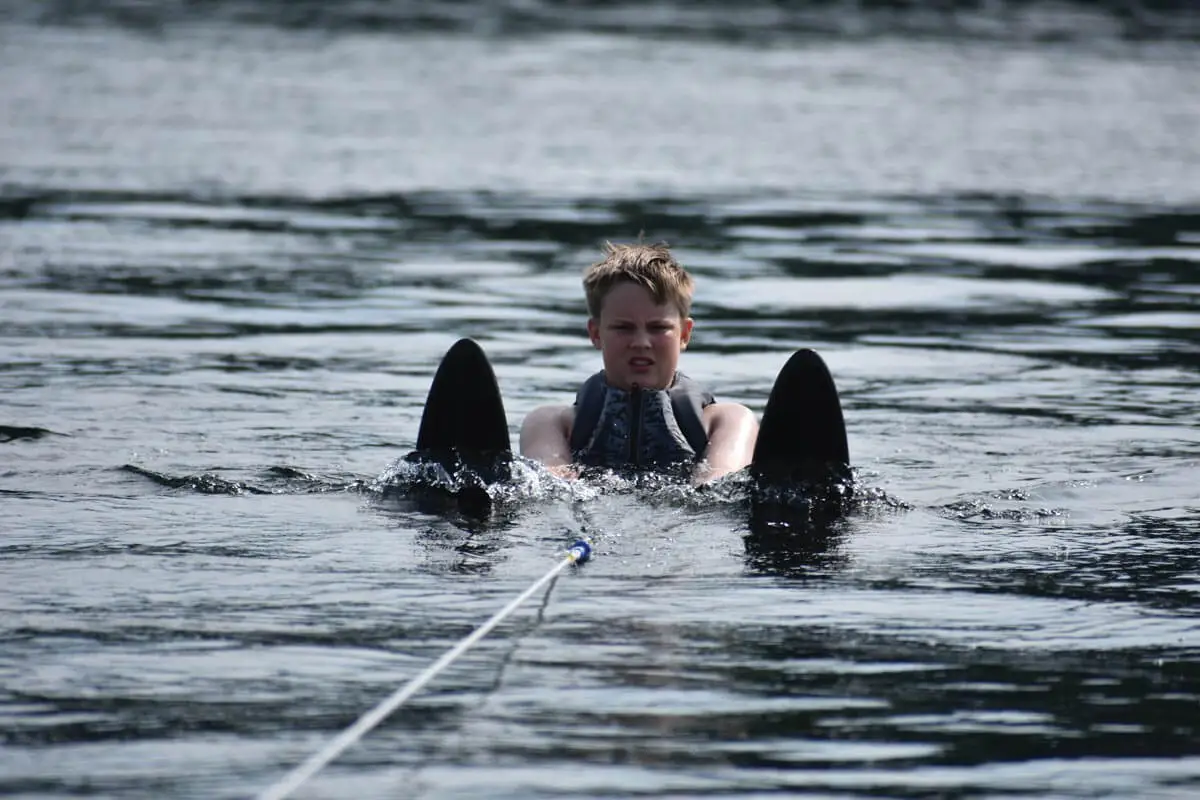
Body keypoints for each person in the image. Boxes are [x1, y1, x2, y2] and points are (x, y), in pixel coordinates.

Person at [519, 241, 760, 484]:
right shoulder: (550, 424)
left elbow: (716, 490)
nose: (642, 342)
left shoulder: (728, 422)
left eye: (658, 327)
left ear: (684, 334)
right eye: (623, 327)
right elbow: (553, 492)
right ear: (596, 333)